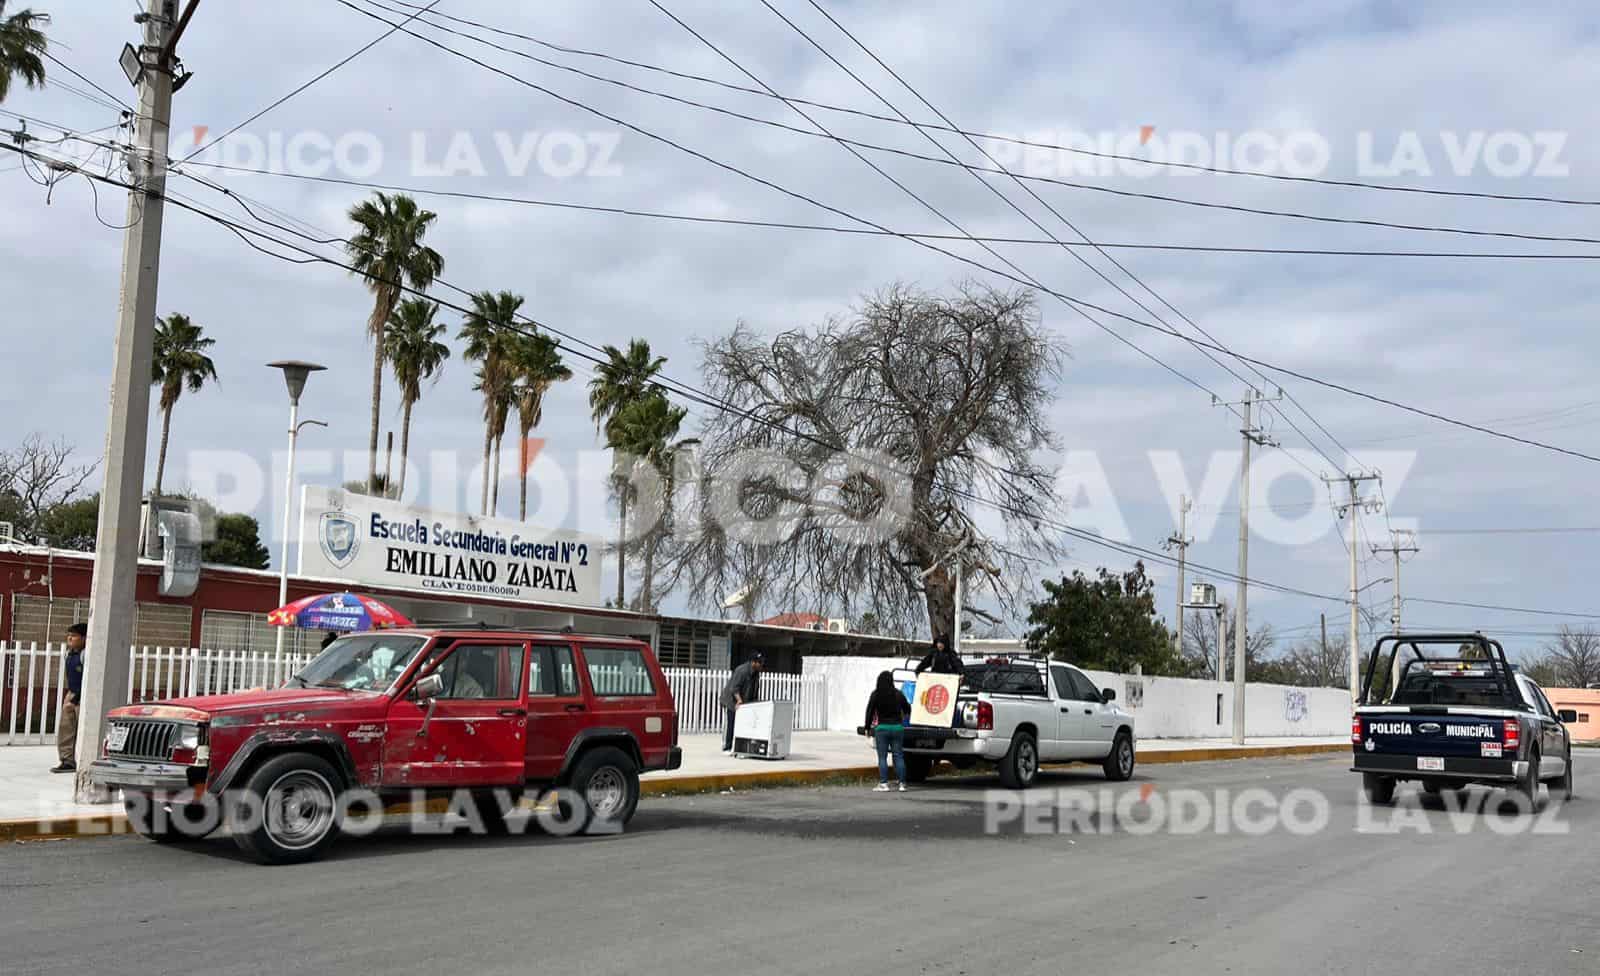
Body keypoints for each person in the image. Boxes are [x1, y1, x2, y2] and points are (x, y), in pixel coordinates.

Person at [863, 670, 912, 792]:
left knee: (882, 757)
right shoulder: (898, 694)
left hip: (882, 729)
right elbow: (907, 708)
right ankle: (902, 784)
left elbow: (869, 711)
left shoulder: (876, 694)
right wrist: (904, 715)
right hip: (897, 728)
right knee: (899, 756)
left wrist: (867, 728)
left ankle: (884, 784)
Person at [53, 623, 87, 773]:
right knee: (65, 727)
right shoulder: (69, 654)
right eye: (69, 635)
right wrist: (70, 697)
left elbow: (87, 680)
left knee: (80, 728)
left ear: (84, 638)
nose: (70, 638)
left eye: (74, 636)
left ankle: (83, 759)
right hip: (72, 693)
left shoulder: (85, 655)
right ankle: (67, 760)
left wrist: (75, 700)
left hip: (83, 694)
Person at [719, 653, 764, 754]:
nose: (761, 665)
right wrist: (739, 700)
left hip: (744, 702)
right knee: (731, 723)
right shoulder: (742, 670)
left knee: (743, 725)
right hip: (731, 700)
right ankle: (727, 747)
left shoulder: (756, 673)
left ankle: (739, 748)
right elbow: (734, 688)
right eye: (760, 663)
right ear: (753, 662)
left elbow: (755, 689)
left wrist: (755, 702)